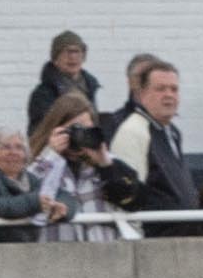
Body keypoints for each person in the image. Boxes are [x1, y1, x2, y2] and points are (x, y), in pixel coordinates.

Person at [26, 92, 140, 243]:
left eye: (86, 130)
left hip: (102, 252)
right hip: (57, 251)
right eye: (73, 131)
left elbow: (133, 200)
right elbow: (25, 196)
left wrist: (105, 165)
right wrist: (50, 156)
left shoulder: (107, 163)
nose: (79, 137)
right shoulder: (40, 162)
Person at [108, 59, 199, 237]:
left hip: (182, 240)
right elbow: (127, 196)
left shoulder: (173, 132)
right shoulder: (133, 131)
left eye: (174, 89)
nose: (169, 95)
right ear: (142, 94)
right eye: (160, 89)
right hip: (155, 244)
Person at [0, 125, 74, 244]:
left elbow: (65, 197)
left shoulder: (30, 179)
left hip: (26, 251)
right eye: (6, 147)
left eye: (19, 147)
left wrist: (63, 208)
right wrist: (33, 203)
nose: (14, 152)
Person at [26, 30, 101, 129]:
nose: (73, 57)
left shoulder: (90, 87)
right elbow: (38, 133)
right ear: (55, 58)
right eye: (67, 52)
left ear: (83, 56)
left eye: (77, 51)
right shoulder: (43, 94)